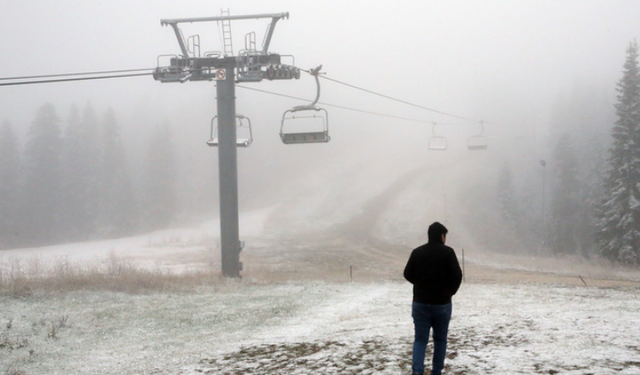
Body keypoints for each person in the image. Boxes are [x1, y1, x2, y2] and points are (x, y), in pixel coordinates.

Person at [403, 222, 463, 375]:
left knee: (420, 340)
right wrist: (449, 292)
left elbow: (407, 273)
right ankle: (436, 372)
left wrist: (420, 285)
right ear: (442, 236)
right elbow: (457, 275)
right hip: (442, 304)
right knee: (440, 340)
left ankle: (417, 371)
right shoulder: (448, 253)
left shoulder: (417, 252)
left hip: (420, 303)